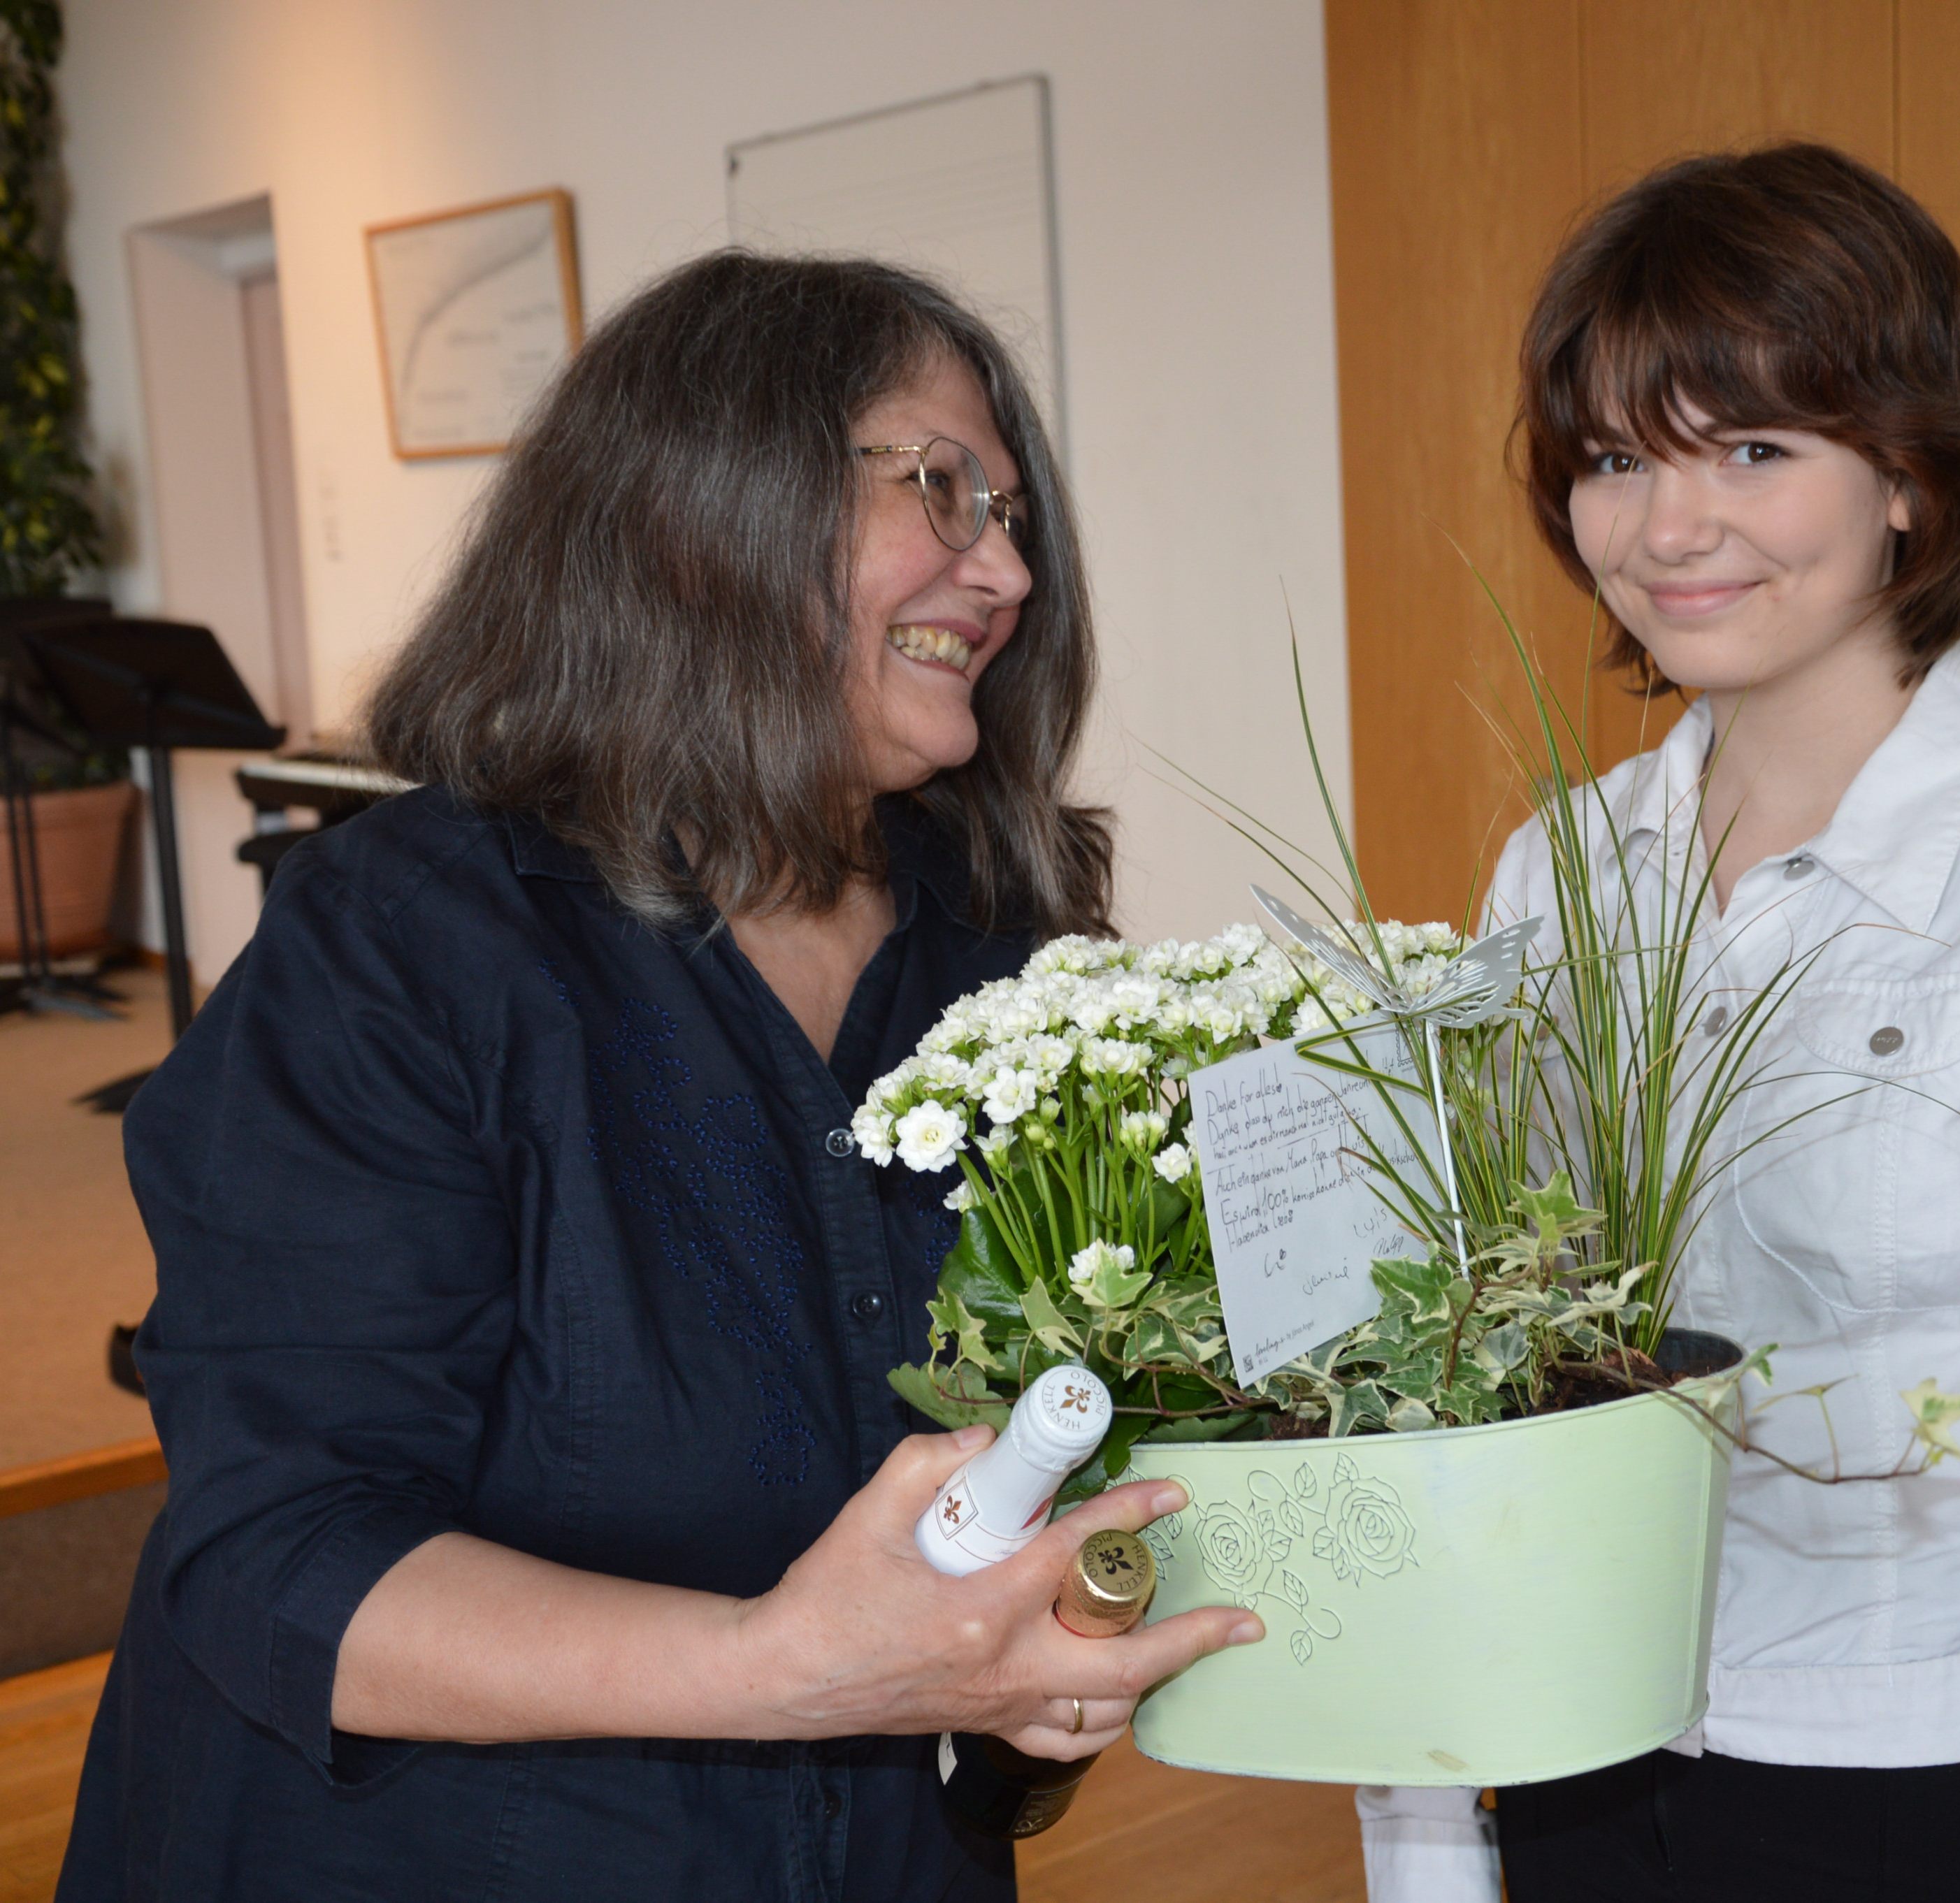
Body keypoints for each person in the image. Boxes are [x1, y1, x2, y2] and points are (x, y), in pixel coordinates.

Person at [59, 252, 1260, 1903]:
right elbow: (282, 1561)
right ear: (702, 516)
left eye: (1013, 513)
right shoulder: (403, 948)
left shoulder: (1003, 958)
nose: (1011, 570)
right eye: (946, 491)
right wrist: (788, 1664)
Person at [1357, 144, 1960, 1902]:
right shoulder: (1563, 871)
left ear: (1912, 481)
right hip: (1570, 1730)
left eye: (1756, 448)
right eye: (1619, 459)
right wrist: (1427, 1841)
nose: (1667, 526)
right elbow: (1465, 1395)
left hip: (1902, 1778)